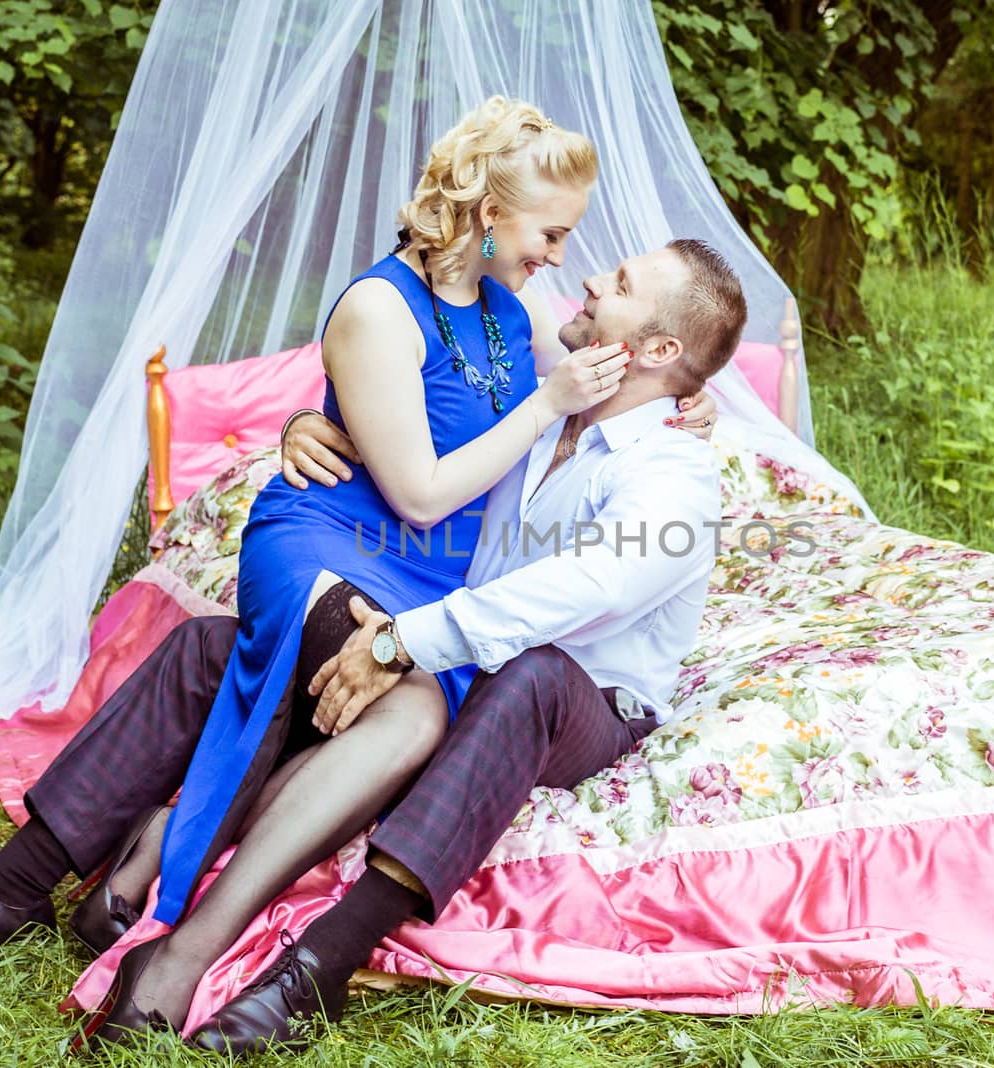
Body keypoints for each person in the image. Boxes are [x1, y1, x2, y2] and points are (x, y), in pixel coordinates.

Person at [0, 97, 717, 1036]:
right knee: (411, 703)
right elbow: (428, 482)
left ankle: (19, 888)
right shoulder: (382, 303)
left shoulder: (519, 312)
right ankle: (182, 943)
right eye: (554, 231)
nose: (566, 259)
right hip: (335, 543)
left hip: (428, 579)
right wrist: (324, 426)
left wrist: (690, 405)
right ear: (490, 212)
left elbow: (620, 384)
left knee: (214, 657)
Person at [138, 237, 749, 1055]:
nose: (594, 278)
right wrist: (306, 425)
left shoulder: (676, 470)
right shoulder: (539, 411)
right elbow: (415, 449)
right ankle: (126, 856)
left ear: (660, 349)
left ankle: (319, 964)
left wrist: (403, 642)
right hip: (470, 668)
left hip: (588, 705)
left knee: (528, 675)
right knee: (255, 639)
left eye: (625, 283)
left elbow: (593, 586)